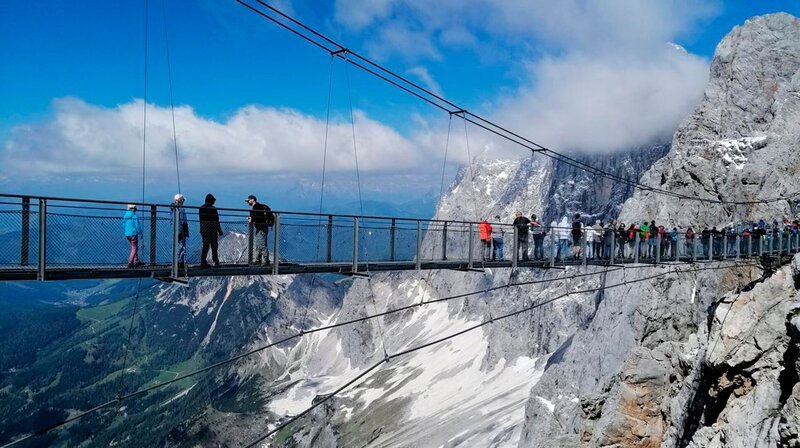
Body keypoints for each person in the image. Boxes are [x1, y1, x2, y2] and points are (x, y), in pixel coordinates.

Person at [246, 194, 273, 266]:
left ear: (252, 199)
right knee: (259, 244)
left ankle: (266, 260)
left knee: (261, 244)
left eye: (248, 200)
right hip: (262, 227)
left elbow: (258, 217)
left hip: (261, 228)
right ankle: (259, 259)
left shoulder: (256, 207)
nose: (247, 202)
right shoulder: (260, 206)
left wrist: (252, 219)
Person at [199, 193, 223, 268]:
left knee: (205, 245)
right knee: (214, 245)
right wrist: (220, 230)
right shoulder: (213, 209)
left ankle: (203, 261)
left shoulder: (201, 208)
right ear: (211, 201)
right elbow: (216, 220)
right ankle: (216, 262)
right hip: (212, 229)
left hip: (204, 229)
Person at [171, 194, 189, 268]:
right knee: (182, 246)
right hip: (181, 230)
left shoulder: (173, 209)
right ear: (180, 200)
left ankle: (176, 261)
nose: (183, 202)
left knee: (177, 245)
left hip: (175, 229)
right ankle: (180, 262)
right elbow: (183, 221)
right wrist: (186, 230)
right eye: (183, 200)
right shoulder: (181, 209)